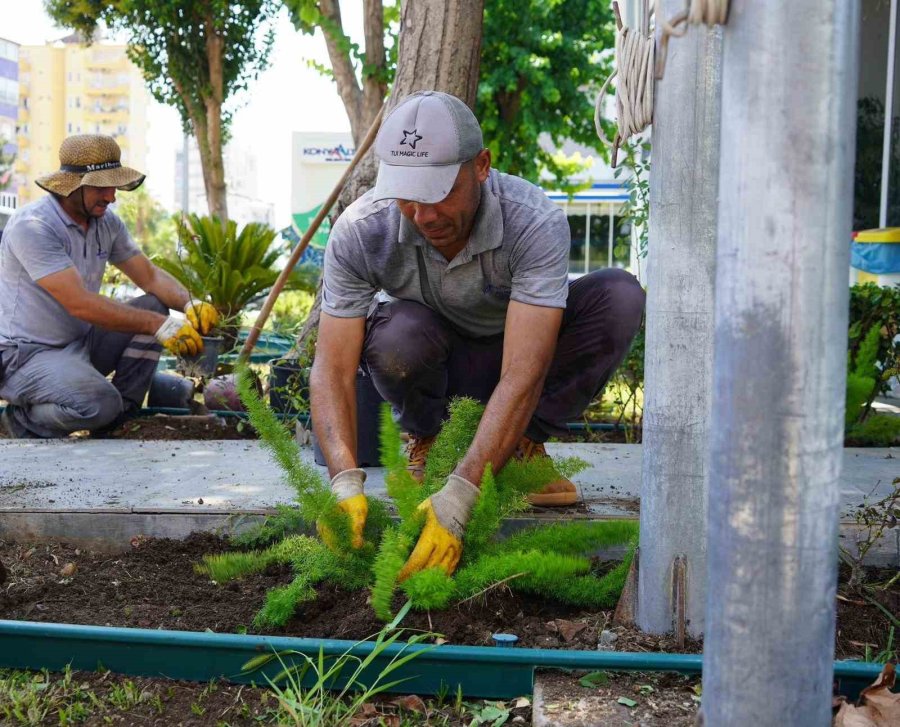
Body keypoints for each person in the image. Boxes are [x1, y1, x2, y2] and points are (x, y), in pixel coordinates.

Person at [311, 91, 645, 576]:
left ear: (482, 166)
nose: (423, 215)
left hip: (519, 364)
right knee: (397, 336)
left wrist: (460, 499)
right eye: (407, 196)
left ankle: (522, 448)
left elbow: (524, 371)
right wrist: (343, 482)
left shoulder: (533, 221)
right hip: (434, 360)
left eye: (439, 192)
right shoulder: (362, 231)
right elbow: (333, 367)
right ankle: (430, 437)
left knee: (620, 296)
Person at [0, 134, 219, 439]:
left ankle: (121, 414)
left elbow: (150, 277)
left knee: (154, 304)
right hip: (25, 355)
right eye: (101, 187)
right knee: (98, 403)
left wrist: (189, 303)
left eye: (113, 185)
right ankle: (22, 420)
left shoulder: (106, 223)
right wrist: (160, 325)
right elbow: (80, 303)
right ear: (72, 185)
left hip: (80, 342)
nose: (112, 196)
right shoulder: (34, 227)